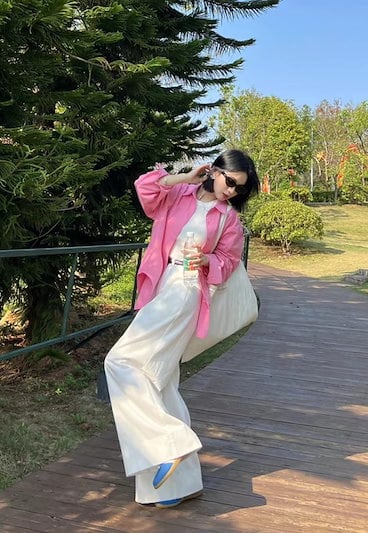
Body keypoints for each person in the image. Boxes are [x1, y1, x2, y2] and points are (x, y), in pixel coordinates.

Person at [104, 149, 260, 508]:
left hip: (186, 289)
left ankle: (170, 443)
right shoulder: (179, 194)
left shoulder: (228, 219)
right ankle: (178, 484)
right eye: (230, 181)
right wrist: (184, 178)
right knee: (160, 380)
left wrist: (207, 259)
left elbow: (228, 261)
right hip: (161, 284)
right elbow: (145, 187)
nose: (232, 191)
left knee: (120, 362)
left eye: (240, 189)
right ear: (215, 171)